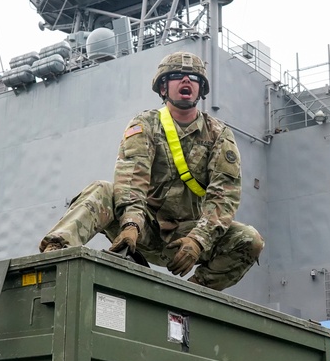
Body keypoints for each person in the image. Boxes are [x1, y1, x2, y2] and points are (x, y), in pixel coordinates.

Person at [38, 51, 264, 290]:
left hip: (186, 238)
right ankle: (55, 255)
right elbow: (132, 180)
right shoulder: (145, 124)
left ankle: (197, 293)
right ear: (163, 88)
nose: (186, 81)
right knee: (102, 190)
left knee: (250, 239)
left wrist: (198, 241)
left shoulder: (218, 134)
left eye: (193, 78)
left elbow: (224, 197)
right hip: (142, 228)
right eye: (177, 76)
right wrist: (131, 225)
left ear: (201, 90)